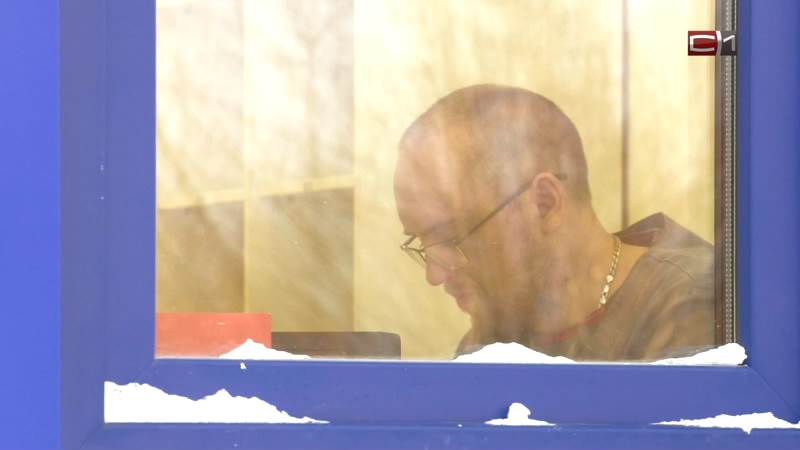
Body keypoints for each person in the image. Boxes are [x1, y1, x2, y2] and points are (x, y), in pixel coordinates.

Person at [393, 84, 715, 361]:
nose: (434, 275)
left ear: (545, 204)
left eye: (451, 238)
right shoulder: (499, 329)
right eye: (421, 243)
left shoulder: (693, 309)